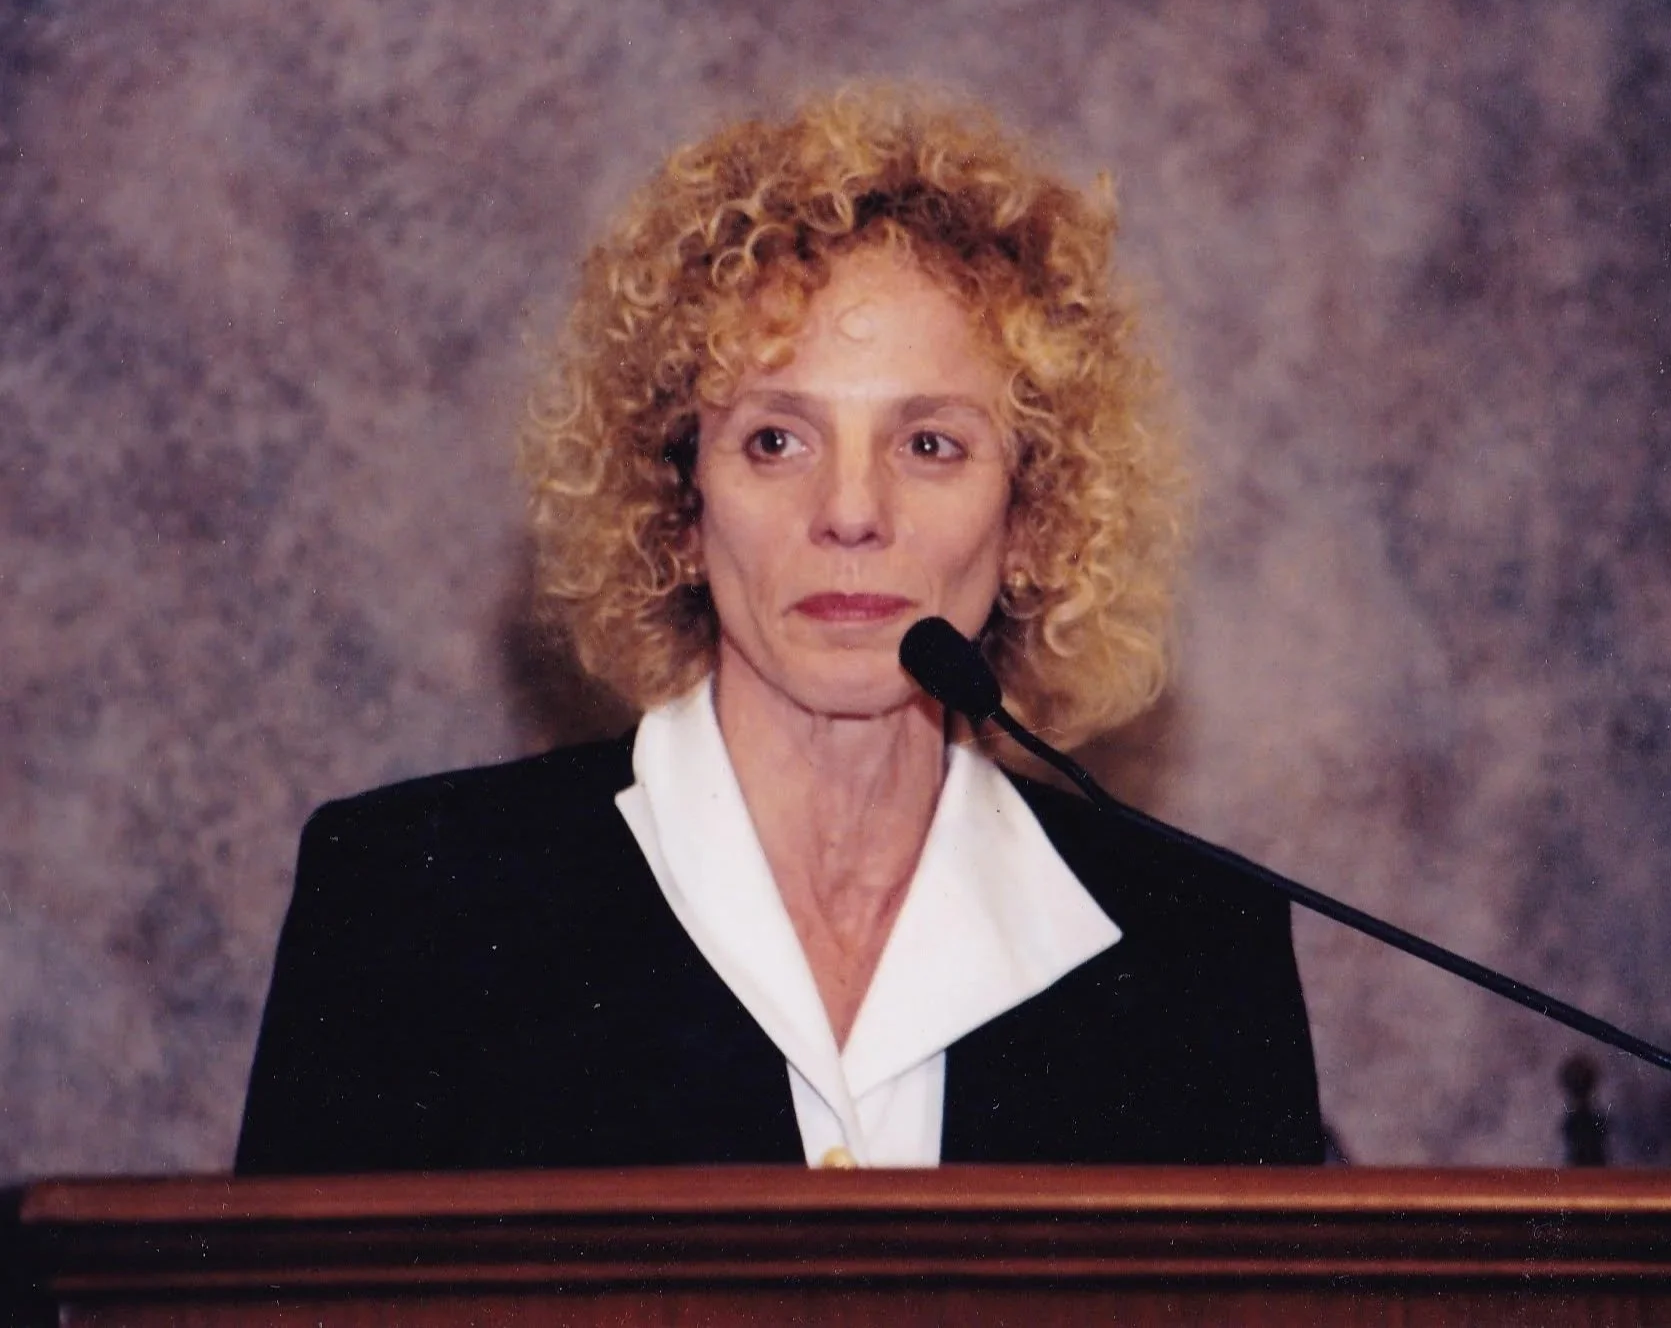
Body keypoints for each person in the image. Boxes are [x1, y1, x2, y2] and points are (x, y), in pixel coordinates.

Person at [235, 87, 1324, 1173]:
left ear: (1032, 517)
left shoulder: (1202, 960)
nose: (852, 511)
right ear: (678, 502)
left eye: (930, 444)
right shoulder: (413, 909)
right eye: (775, 441)